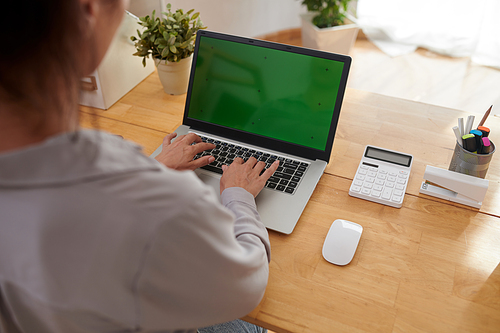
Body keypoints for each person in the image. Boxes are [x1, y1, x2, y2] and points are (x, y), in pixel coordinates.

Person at [0, 0, 279, 332]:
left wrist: (155, 167)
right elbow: (248, 286)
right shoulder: (155, 208)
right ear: (87, 11)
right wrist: (238, 195)